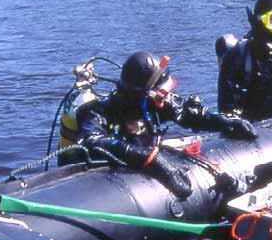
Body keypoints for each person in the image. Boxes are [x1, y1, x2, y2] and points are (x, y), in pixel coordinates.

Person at [72, 51, 257, 199]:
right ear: (142, 94)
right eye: (162, 94)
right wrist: (150, 158)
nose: (167, 98)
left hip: (144, 165)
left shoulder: (154, 104)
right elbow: (92, 141)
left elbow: (187, 113)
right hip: (101, 183)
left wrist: (225, 122)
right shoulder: (97, 112)